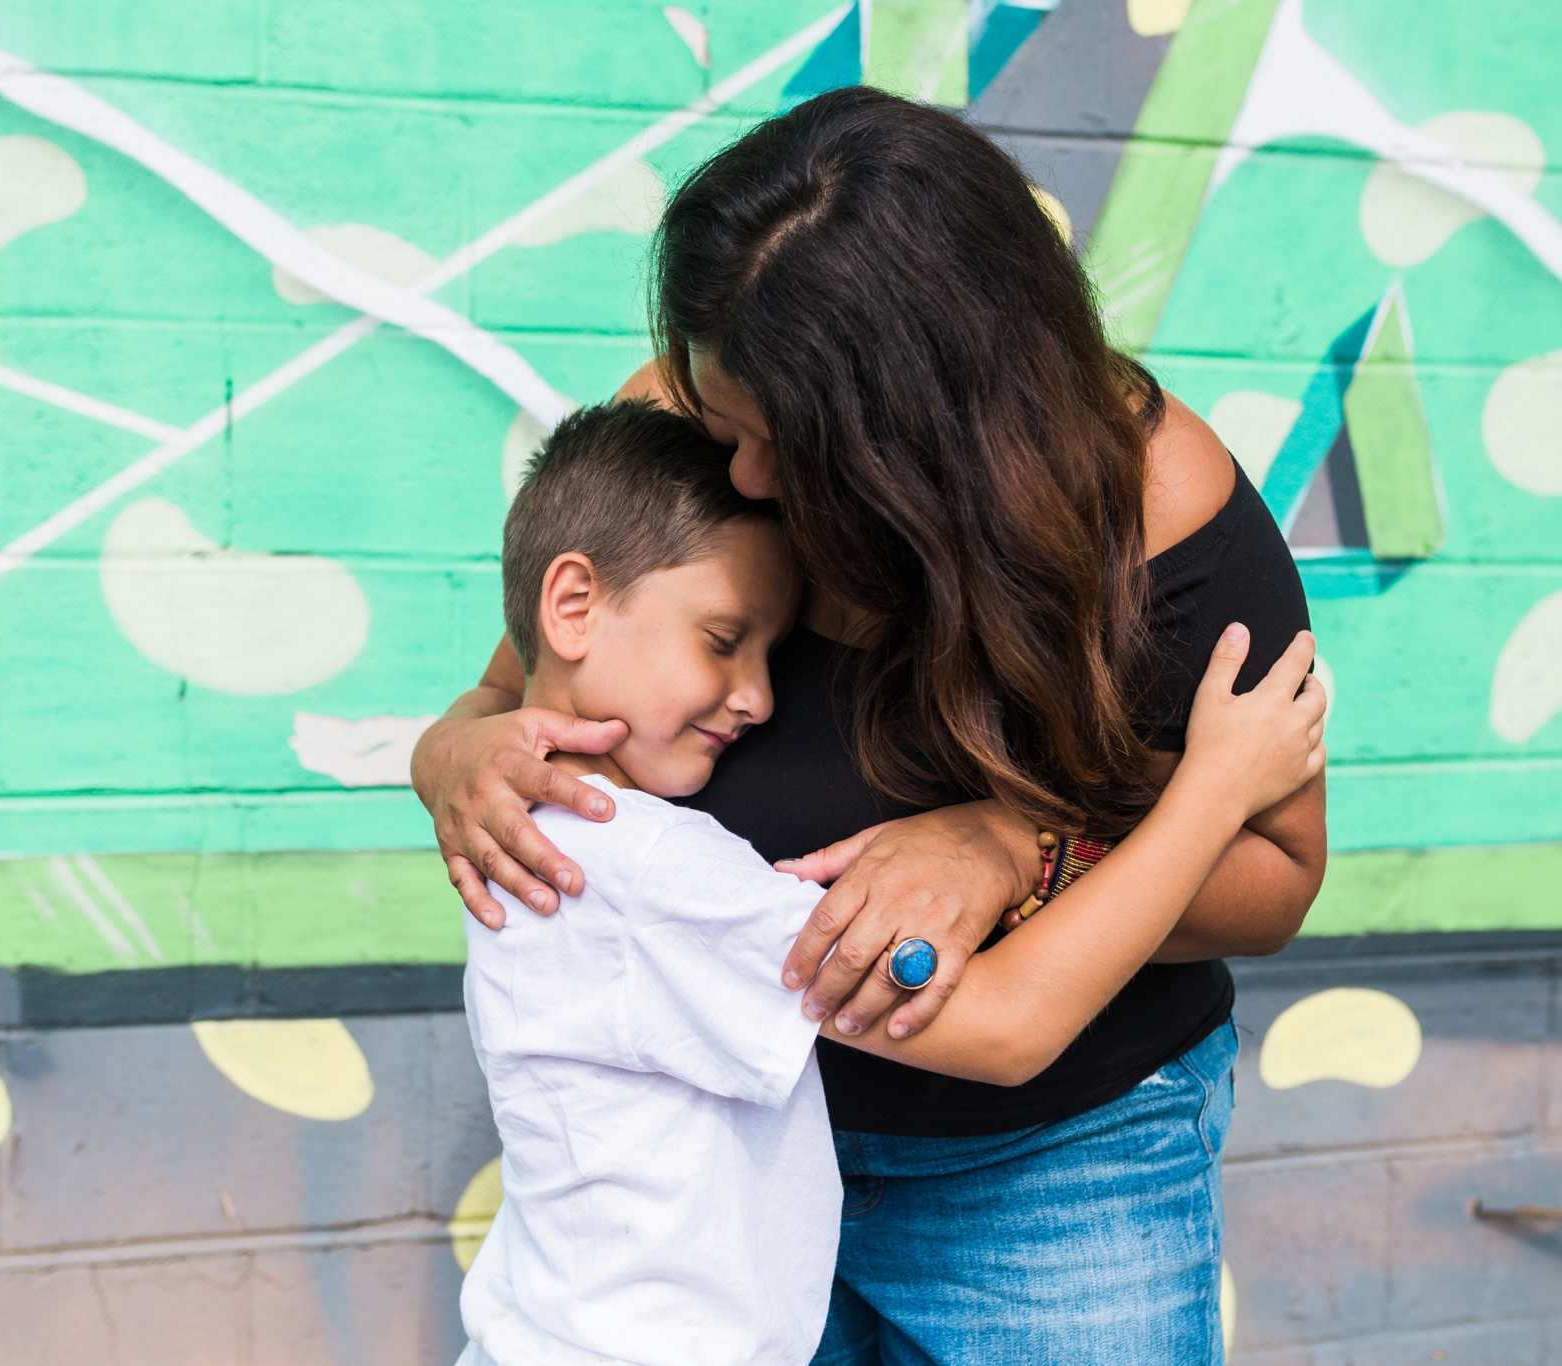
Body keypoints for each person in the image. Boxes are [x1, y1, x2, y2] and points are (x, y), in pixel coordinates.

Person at [423, 88, 1326, 1364]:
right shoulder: (693, 428)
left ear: (919, 431)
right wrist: (444, 751)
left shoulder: (1154, 508)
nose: (736, 471)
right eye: (721, 414)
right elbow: (520, 697)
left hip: (1053, 1173)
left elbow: (1275, 877)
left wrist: (1017, 846)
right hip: (726, 1183)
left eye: (777, 441)